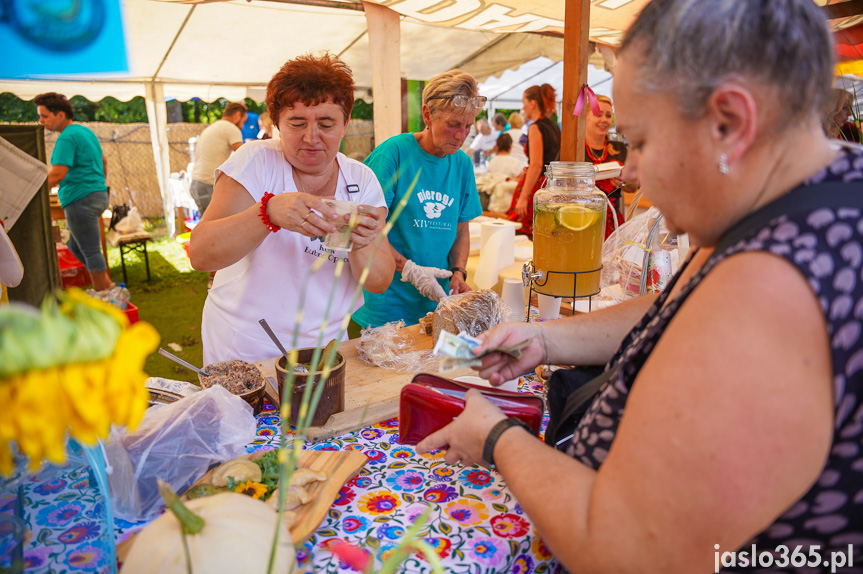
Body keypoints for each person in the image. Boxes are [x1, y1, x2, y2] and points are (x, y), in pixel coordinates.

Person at [418, 1, 863, 572]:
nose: (628, 173)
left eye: (642, 142)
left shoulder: (774, 295)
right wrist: (546, 340)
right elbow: (676, 302)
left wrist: (496, 438)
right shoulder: (806, 192)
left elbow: (626, 551)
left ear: (729, 122)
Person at [190, 53, 395, 364]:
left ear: (345, 124)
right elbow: (202, 253)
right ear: (276, 124)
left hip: (325, 348)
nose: (311, 138)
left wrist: (361, 243)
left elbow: (379, 281)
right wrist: (267, 212)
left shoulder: (360, 179)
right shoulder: (255, 162)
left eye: (326, 124)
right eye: (297, 123)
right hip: (248, 346)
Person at [351, 69, 484, 332]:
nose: (461, 136)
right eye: (453, 125)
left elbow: (461, 229)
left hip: (435, 305)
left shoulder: (462, 164)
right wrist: (408, 269)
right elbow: (365, 226)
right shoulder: (394, 154)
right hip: (385, 306)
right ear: (427, 115)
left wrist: (459, 272)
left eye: (468, 126)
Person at [35, 92, 113, 292]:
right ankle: (108, 287)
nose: (41, 121)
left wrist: (33, 193)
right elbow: (104, 161)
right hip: (98, 194)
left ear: (60, 115)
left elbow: (58, 174)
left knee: (91, 251)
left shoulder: (66, 137)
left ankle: (104, 298)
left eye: (44, 116)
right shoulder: (84, 132)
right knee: (75, 247)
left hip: (81, 199)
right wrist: (97, 184)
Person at [506, 84, 560, 236]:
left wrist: (523, 197)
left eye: (524, 103)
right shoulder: (554, 127)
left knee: (524, 235)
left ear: (532, 104)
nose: (523, 108)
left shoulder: (536, 127)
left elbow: (536, 165)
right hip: (550, 187)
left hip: (536, 188)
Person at [189, 101, 247, 216]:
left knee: (206, 227)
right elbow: (244, 155)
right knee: (216, 227)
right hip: (209, 184)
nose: (242, 127)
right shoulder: (230, 128)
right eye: (243, 122)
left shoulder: (212, 127)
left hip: (197, 183)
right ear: (237, 115)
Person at [585, 94, 627, 238]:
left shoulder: (619, 147)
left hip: (614, 224)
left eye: (608, 115)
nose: (604, 120)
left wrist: (624, 181)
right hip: (583, 222)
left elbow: (634, 185)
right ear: (584, 117)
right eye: (598, 114)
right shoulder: (574, 150)